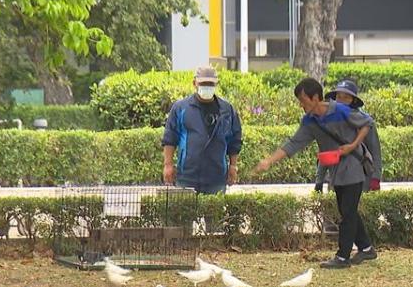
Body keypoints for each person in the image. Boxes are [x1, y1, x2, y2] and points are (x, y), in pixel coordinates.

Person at [254, 78, 377, 269]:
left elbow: (367, 123)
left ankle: (343, 257)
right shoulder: (310, 121)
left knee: (348, 212)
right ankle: (367, 248)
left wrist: (352, 145)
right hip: (335, 169)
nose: (301, 105)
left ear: (316, 97)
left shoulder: (341, 111)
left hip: (353, 164)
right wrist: (269, 161)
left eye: (303, 100)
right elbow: (294, 143)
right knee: (347, 210)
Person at [162, 66, 243, 194]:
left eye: (210, 84)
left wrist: (233, 166)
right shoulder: (181, 108)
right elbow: (170, 138)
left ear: (217, 84)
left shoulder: (227, 110)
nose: (207, 86)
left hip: (216, 178)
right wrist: (168, 165)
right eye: (203, 83)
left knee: (214, 213)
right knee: (186, 213)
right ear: (195, 83)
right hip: (187, 176)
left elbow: (235, 140)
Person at [315, 79, 382, 193]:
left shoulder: (364, 121)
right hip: (336, 178)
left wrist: (375, 178)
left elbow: (375, 150)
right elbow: (326, 153)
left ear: (353, 100)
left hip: (359, 177)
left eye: (346, 97)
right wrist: (319, 181)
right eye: (339, 97)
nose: (341, 101)